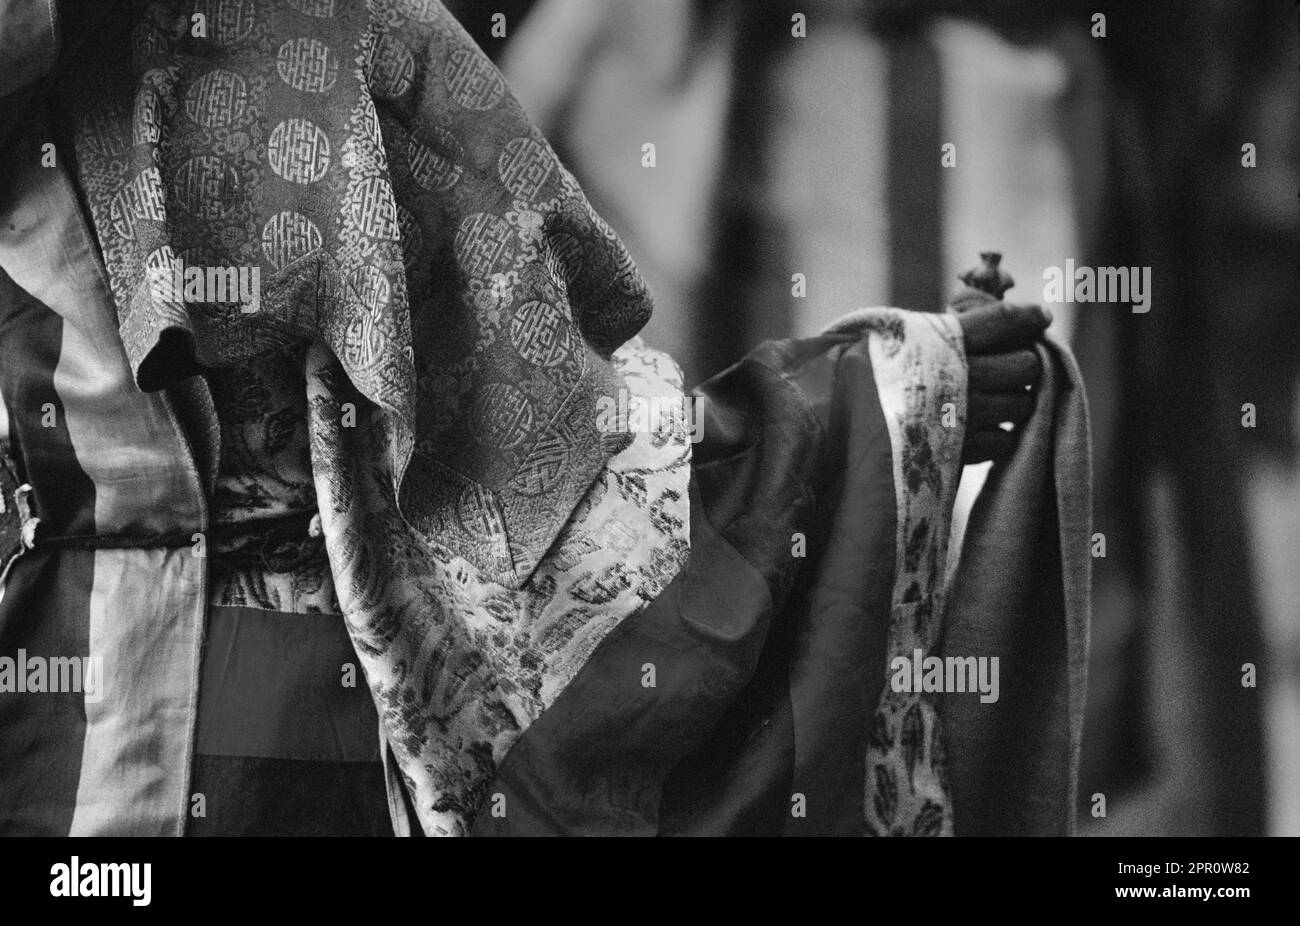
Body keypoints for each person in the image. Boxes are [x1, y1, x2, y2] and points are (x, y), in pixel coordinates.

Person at [0, 0, 1079, 836]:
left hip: (272, 748)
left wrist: (884, 400)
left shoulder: (347, 46)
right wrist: (867, 409)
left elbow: (552, 505)